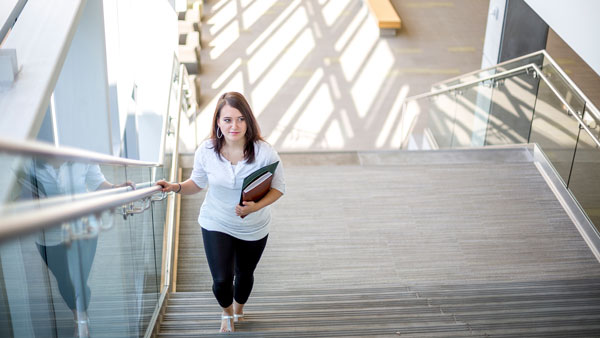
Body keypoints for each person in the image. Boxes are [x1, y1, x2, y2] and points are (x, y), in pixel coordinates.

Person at [157, 92, 285, 333]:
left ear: (248, 121)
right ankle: (226, 313)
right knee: (221, 280)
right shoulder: (206, 150)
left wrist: (256, 206)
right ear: (217, 122)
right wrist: (175, 187)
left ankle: (239, 310)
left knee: (244, 275)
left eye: (240, 119)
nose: (234, 126)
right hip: (216, 220)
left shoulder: (265, 151)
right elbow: (196, 183)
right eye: (227, 120)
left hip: (254, 225)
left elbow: (279, 188)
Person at [19, 159, 134, 338]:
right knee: (65, 281)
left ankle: (81, 320)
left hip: (84, 227)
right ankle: (80, 312)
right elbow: (21, 191)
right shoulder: (30, 160)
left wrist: (117, 188)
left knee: (77, 276)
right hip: (48, 234)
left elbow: (97, 184)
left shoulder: (81, 152)